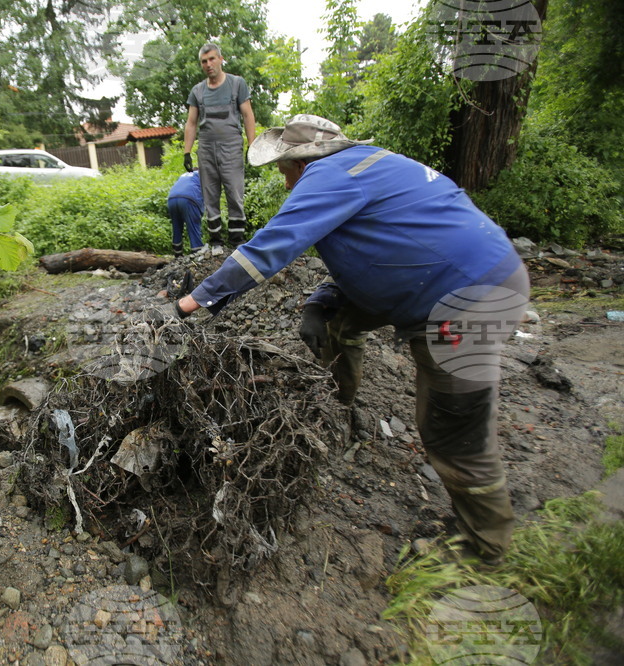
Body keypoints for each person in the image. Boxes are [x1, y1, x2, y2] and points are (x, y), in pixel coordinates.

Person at [172, 114, 530, 565]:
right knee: (333, 318)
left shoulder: (329, 174)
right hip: (452, 276)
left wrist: (193, 302)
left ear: (302, 162)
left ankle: (485, 544)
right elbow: (380, 247)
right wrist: (321, 299)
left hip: (465, 299)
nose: (287, 184)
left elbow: (270, 248)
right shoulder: (371, 165)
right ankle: (337, 405)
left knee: (452, 431)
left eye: (285, 172)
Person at [183, 42, 256, 247]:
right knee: (210, 194)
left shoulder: (237, 84)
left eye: (212, 59)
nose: (208, 64)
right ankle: (215, 241)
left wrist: (252, 145)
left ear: (221, 59)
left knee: (235, 192)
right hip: (206, 148)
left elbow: (248, 115)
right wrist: (187, 152)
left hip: (231, 146)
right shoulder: (198, 91)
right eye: (204, 61)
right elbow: (191, 123)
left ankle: (236, 240)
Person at [167, 170, 205, 257]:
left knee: (176, 227)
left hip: (171, 199)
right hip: (189, 198)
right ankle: (197, 253)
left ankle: (177, 254)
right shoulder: (203, 175)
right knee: (193, 227)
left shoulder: (184, 175)